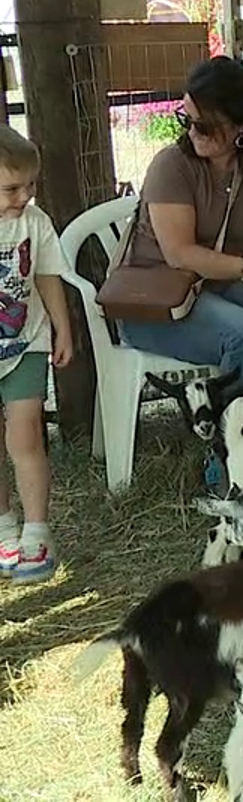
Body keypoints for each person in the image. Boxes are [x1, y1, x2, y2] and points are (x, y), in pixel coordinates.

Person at [116, 56, 243, 392]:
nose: (192, 131)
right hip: (157, 299)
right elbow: (179, 254)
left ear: (240, 124)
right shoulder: (172, 165)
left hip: (218, 286)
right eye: (187, 119)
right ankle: (235, 438)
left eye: (205, 125)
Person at [0, 126, 72, 584]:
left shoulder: (35, 222)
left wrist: (63, 328)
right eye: (11, 188)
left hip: (25, 342)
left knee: (25, 436)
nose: (24, 195)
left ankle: (37, 531)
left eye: (30, 186)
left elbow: (47, 275)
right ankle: (4, 525)